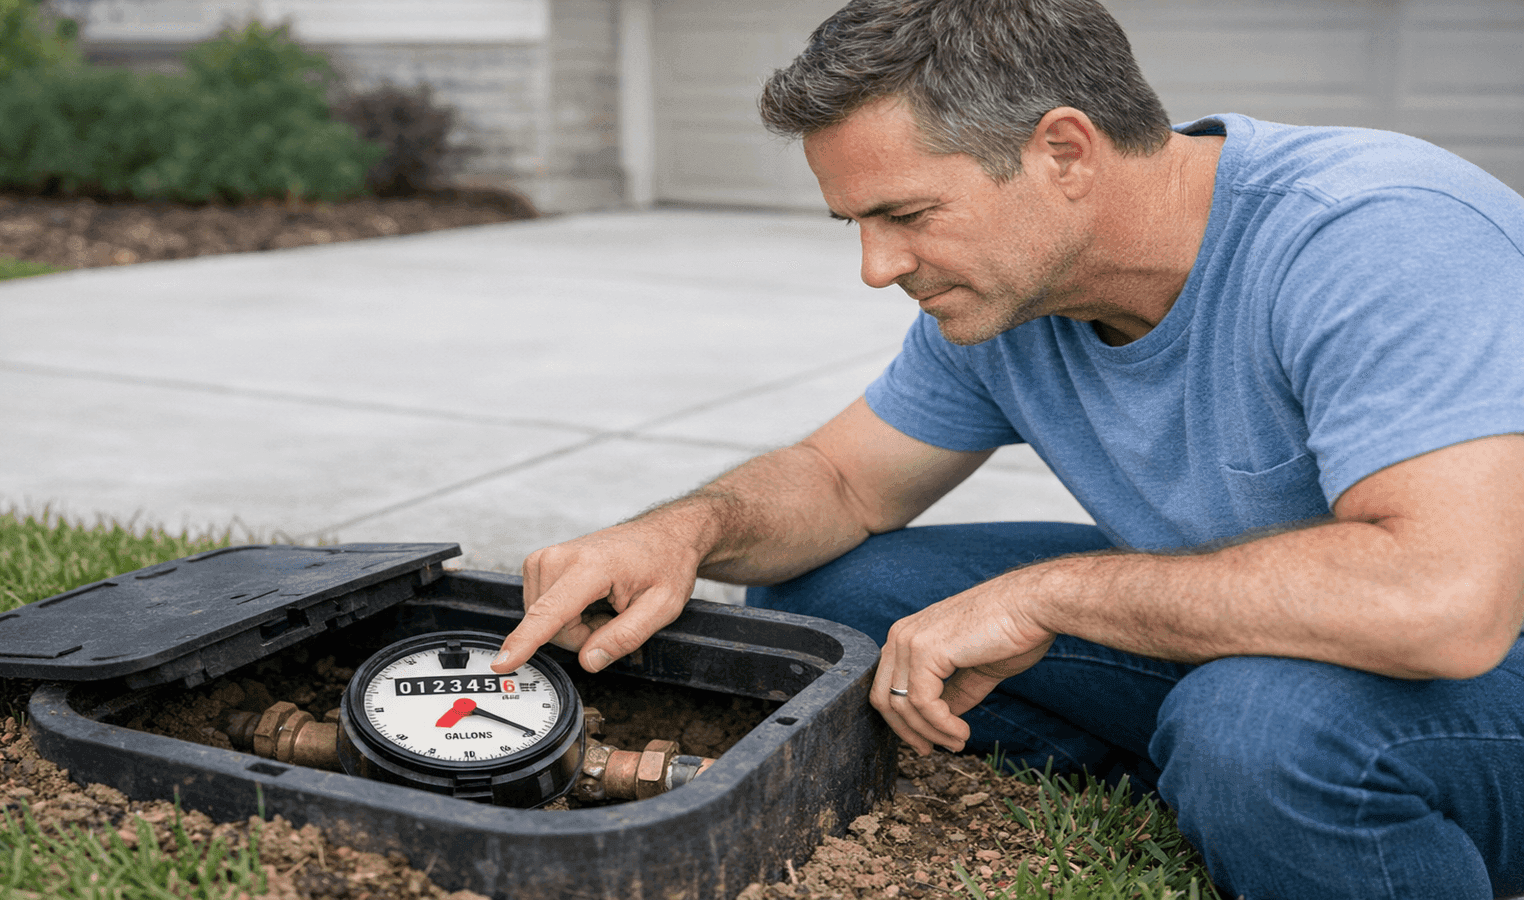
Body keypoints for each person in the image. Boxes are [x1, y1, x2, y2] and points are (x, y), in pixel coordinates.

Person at [491, 1, 1524, 896]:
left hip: (1485, 661)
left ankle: (1266, 778)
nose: (876, 266)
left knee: (1258, 730)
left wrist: (1048, 597)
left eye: (906, 214)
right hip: (1281, 642)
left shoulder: (1375, 234)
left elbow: (1442, 602)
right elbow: (842, 483)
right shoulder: (1015, 294)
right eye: (855, 224)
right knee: (827, 597)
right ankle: (1222, 785)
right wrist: (683, 530)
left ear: (1063, 151)